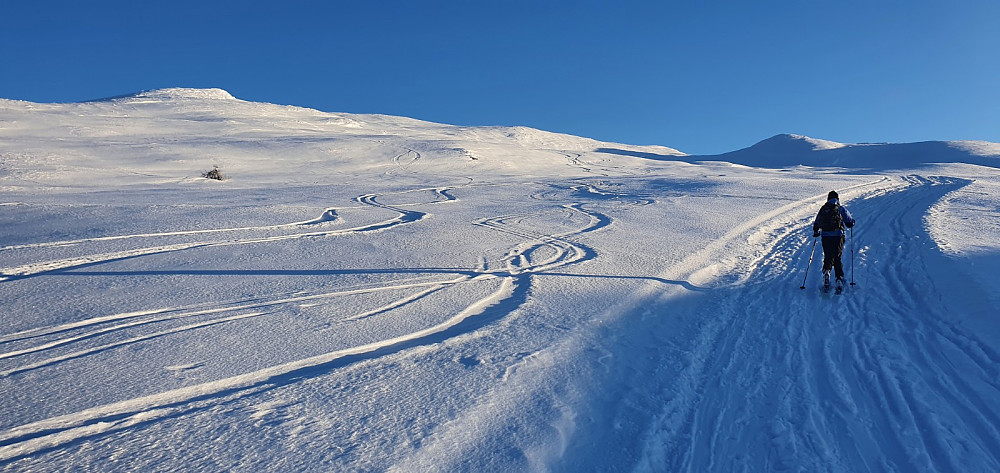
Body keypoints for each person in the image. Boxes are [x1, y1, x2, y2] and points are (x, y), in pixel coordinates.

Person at [812, 190, 856, 289]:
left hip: (825, 236)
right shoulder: (840, 208)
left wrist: (816, 233)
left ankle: (827, 272)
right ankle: (839, 278)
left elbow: (816, 223)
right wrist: (852, 222)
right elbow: (849, 223)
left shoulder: (823, 209)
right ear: (837, 198)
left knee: (828, 256)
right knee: (837, 257)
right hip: (838, 235)